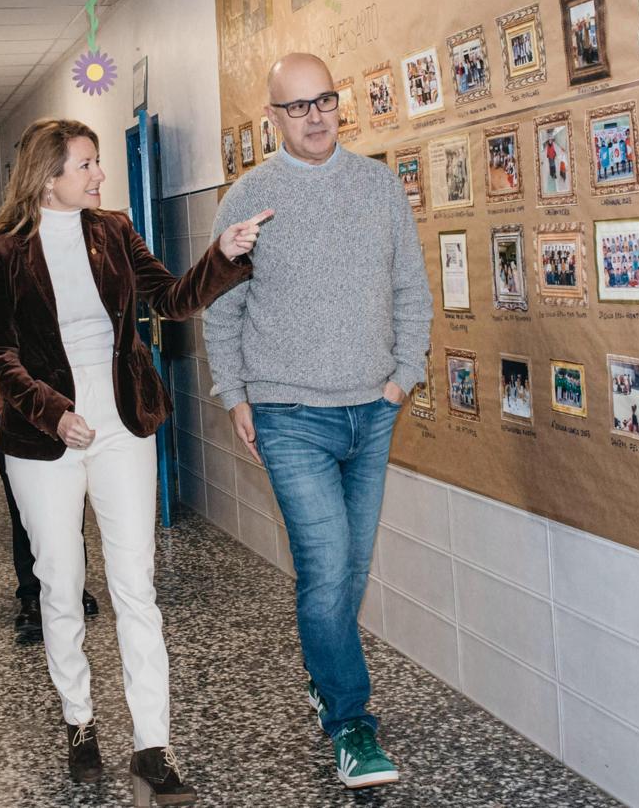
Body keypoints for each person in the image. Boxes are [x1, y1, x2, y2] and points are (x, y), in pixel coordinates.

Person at [0, 119, 268, 804]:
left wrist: (221, 254)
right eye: (87, 165)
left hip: (122, 423)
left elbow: (171, 297)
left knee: (135, 584)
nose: (100, 175)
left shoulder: (113, 231)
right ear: (49, 177)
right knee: (59, 581)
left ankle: (152, 744)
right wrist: (52, 409)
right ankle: (79, 721)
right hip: (45, 435)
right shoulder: (1, 250)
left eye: (100, 163)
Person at [205, 52, 432, 790]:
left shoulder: (376, 186)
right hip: (290, 415)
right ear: (273, 117)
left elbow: (410, 287)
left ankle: (323, 673)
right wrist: (236, 395)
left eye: (325, 101)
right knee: (329, 570)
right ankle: (352, 722)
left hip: (373, 410)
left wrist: (403, 379)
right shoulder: (249, 196)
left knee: (346, 571)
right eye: (297, 106)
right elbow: (222, 305)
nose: (315, 117)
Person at [0, 218, 100, 647]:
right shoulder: (2, 236)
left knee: (69, 501)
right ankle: (32, 595)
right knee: (23, 505)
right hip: (16, 394)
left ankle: (70, 585)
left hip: (67, 397)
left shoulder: (82, 233)